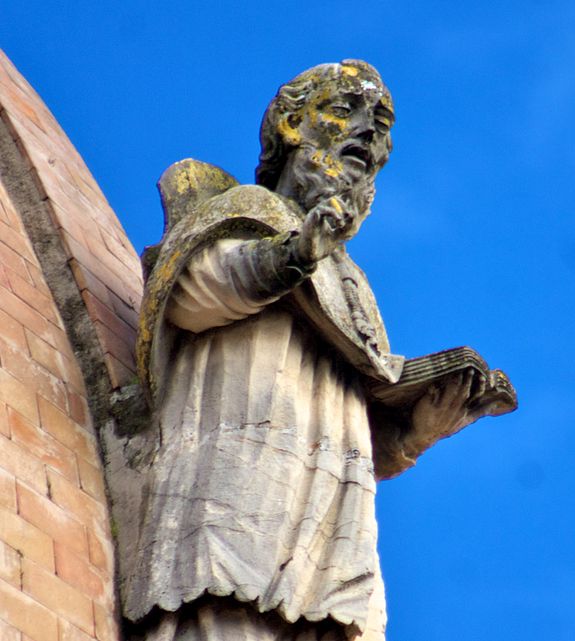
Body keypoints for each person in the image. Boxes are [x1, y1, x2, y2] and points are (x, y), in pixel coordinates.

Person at [124, 60, 490, 641]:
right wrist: (288, 256)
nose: (369, 136)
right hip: (238, 482)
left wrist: (417, 433)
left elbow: (349, 420)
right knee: (226, 613)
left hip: (329, 524)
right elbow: (189, 296)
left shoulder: (353, 283)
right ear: (292, 125)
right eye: (347, 112)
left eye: (381, 127)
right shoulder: (248, 210)